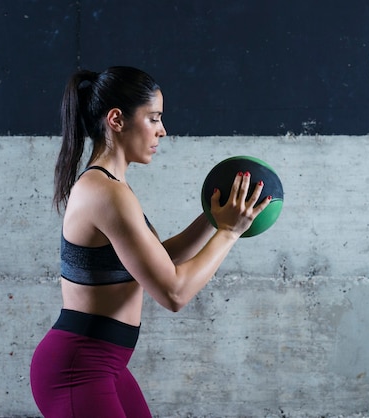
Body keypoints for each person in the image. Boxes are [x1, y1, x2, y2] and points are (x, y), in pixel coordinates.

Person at [30, 66, 271, 417]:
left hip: (105, 364)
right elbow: (173, 292)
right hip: (78, 368)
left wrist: (212, 217)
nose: (162, 130)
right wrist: (229, 232)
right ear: (116, 119)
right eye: (154, 118)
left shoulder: (112, 187)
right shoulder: (105, 193)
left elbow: (159, 261)